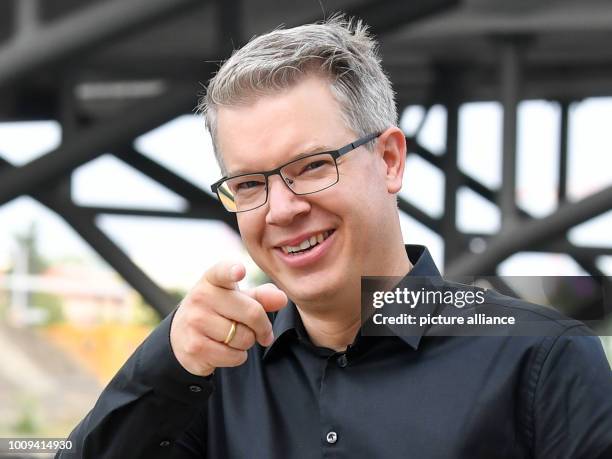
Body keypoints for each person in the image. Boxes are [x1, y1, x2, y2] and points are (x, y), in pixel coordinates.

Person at [58, 16, 612, 458]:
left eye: (312, 166)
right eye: (249, 183)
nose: (282, 209)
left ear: (390, 159)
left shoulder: (541, 361)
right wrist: (167, 360)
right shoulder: (212, 378)